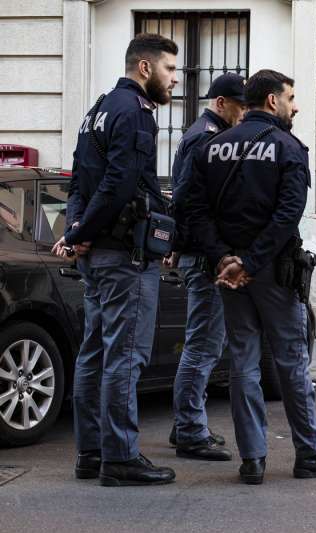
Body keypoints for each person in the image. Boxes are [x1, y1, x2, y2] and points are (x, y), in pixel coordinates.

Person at [184, 69, 316, 484]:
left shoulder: (212, 146)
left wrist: (225, 258)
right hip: (273, 273)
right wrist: (252, 262)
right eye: (291, 97)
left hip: (228, 275)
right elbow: (287, 215)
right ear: (273, 101)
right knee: (292, 361)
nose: (295, 106)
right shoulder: (288, 147)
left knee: (243, 362)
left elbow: (192, 210)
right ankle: (310, 452)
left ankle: (252, 459)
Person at [52, 34, 179, 486]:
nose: (174, 81)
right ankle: (120, 458)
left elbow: (79, 183)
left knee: (94, 354)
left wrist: (76, 232)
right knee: (125, 357)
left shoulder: (97, 110)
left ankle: (91, 454)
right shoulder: (135, 113)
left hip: (98, 255)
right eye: (169, 70)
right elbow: (121, 184)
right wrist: (81, 233)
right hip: (126, 256)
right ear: (144, 68)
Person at [166, 73, 247, 461]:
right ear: (220, 103)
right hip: (204, 258)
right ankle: (189, 431)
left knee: (203, 343)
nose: (244, 113)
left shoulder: (200, 132)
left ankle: (185, 421)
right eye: (240, 105)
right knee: (203, 346)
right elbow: (188, 199)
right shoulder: (206, 138)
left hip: (197, 254)